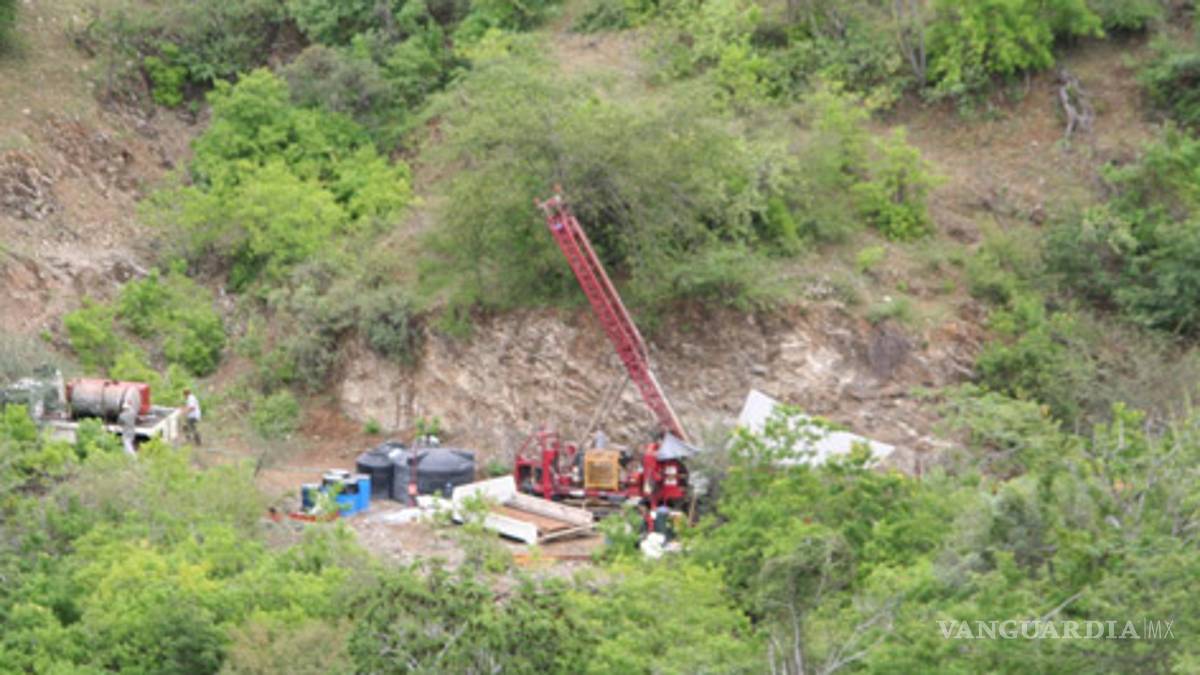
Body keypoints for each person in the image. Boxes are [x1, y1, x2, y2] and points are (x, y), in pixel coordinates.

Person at [118, 391, 138, 458]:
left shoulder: (122, 415)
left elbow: (119, 422)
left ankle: (134, 457)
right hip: (132, 431)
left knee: (127, 445)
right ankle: (126, 458)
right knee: (126, 446)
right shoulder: (133, 413)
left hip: (126, 433)